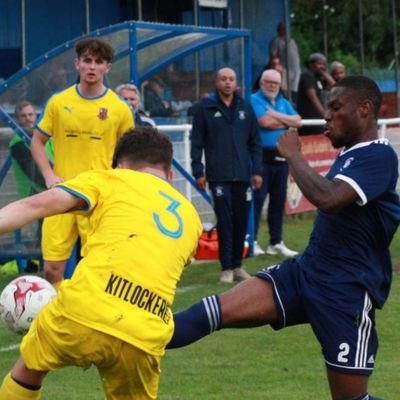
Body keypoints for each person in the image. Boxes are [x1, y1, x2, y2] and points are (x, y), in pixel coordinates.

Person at [167, 76, 400, 400]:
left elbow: (329, 198)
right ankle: (131, 332)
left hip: (346, 292)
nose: (327, 115)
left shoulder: (380, 155)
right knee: (210, 313)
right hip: (306, 273)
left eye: (335, 107)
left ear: (364, 109)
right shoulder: (351, 154)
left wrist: (293, 154)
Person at [0, 127, 202, 400]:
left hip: (84, 310)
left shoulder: (110, 180)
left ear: (120, 166)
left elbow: (37, 205)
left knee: (29, 369)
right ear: (170, 174)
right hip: (144, 332)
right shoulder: (192, 217)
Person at [31, 38, 134, 287]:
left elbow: (131, 153)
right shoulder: (58, 102)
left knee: (96, 268)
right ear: (77, 63)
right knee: (52, 270)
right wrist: (48, 175)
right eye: (87, 60)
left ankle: (89, 320)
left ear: (107, 67)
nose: (92, 67)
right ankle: (54, 320)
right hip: (62, 192)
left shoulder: (119, 109)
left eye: (99, 62)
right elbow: (37, 141)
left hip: (98, 198)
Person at [190, 67, 263, 283]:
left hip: (242, 176)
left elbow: (255, 142)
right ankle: (226, 268)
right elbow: (197, 143)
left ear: (236, 83)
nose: (228, 83)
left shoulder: (245, 108)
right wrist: (198, 171)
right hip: (218, 175)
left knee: (241, 220)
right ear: (216, 82)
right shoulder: (205, 109)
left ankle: (238, 265)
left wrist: (257, 170)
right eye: (223, 79)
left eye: (231, 79)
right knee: (225, 220)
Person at [250, 69, 301, 257]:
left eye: (276, 83)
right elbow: (264, 122)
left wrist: (276, 115)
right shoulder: (254, 99)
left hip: (281, 158)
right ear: (262, 83)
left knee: (278, 201)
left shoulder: (282, 102)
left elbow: (298, 121)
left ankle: (276, 241)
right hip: (261, 157)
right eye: (269, 82)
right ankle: (252, 240)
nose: (272, 86)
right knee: (258, 200)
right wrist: (286, 122)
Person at [9, 101, 53, 198]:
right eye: (23, 116)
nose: (28, 119)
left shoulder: (44, 138)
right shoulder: (18, 143)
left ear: (35, 116)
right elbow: (35, 176)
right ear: (17, 120)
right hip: (33, 195)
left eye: (30, 114)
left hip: (48, 192)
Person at [297, 52, 335, 136]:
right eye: (320, 64)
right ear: (311, 64)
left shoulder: (318, 78)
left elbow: (335, 86)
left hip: (318, 120)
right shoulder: (307, 76)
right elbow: (312, 97)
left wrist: (324, 73)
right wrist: (324, 115)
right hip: (310, 119)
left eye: (324, 64)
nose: (322, 67)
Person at [269, 22, 301, 102]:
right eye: (282, 28)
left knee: (294, 91)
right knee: (285, 91)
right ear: (278, 30)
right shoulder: (277, 41)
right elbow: (274, 56)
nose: (284, 30)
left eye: (285, 29)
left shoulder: (292, 41)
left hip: (296, 70)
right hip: (285, 70)